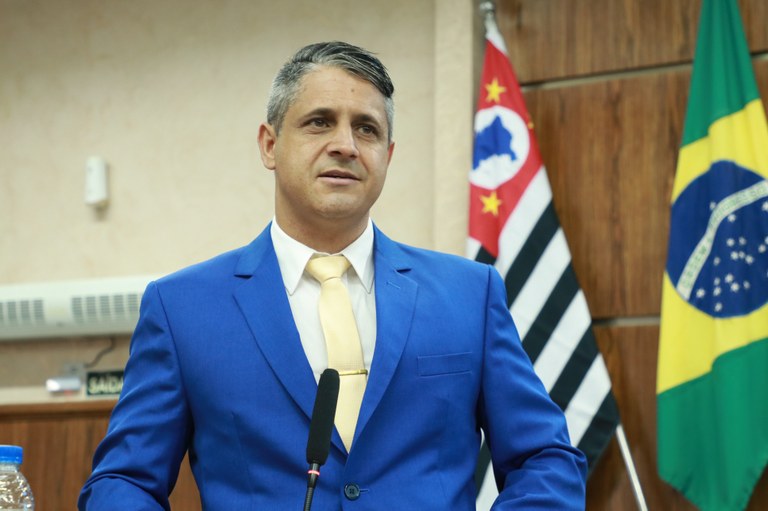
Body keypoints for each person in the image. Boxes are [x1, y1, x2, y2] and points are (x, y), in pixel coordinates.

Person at [78, 41, 587, 510]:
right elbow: (124, 481)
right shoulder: (182, 309)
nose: (345, 145)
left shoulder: (468, 295)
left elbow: (545, 459)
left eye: (367, 129)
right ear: (269, 145)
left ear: (387, 156)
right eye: (320, 122)